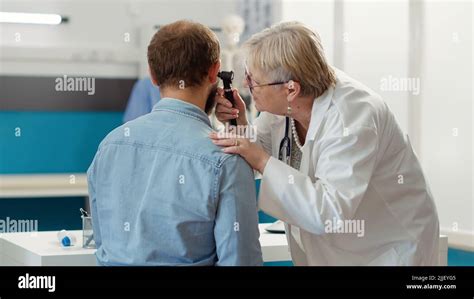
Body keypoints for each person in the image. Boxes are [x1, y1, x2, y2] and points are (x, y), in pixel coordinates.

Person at [211, 21, 439, 266]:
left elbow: (329, 212)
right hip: (337, 248)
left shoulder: (352, 116)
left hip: (386, 249)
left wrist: (260, 158)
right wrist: (241, 122)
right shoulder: (284, 107)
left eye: (252, 79)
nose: (246, 85)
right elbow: (259, 148)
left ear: (291, 89)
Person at [87, 20, 262, 266]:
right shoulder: (226, 159)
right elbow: (241, 261)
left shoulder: (109, 147)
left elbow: (103, 246)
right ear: (215, 72)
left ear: (152, 74)